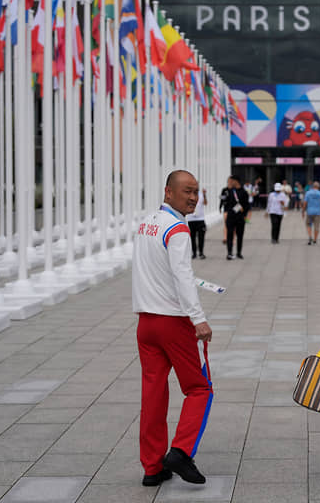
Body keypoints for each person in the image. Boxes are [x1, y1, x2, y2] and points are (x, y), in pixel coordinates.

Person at [132, 170, 213, 488]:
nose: (193, 197)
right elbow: (181, 275)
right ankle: (180, 451)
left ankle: (152, 467)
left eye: (196, 192)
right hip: (172, 320)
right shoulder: (177, 228)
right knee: (199, 388)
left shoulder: (147, 223)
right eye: (187, 191)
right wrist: (198, 318)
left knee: (153, 394)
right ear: (168, 192)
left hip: (146, 321)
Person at [221, 175, 251, 260]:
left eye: (231, 181)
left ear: (236, 181)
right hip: (230, 217)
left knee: (240, 236)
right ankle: (229, 253)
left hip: (240, 218)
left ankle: (239, 253)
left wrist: (244, 215)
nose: (229, 183)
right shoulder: (228, 191)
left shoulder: (244, 192)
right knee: (230, 235)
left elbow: (247, 206)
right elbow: (224, 202)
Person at [302, 181, 320, 245]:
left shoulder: (308, 193)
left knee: (308, 224)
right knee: (316, 226)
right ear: (318, 187)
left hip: (309, 211)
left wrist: (303, 211)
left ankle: (310, 236)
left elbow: (305, 203)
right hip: (317, 212)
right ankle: (315, 239)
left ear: (313, 186)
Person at [186, 187, 207, 259]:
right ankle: (194, 253)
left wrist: (204, 195)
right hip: (191, 219)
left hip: (200, 219)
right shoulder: (187, 195)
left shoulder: (201, 195)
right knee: (192, 237)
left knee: (201, 237)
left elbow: (205, 203)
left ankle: (201, 252)